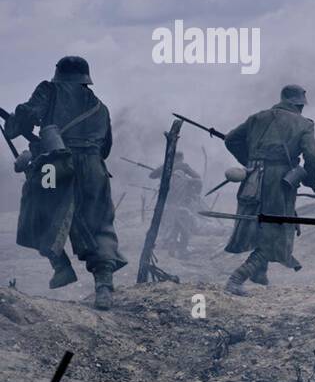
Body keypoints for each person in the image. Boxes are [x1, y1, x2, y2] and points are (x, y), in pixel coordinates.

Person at [6, 56, 126, 309]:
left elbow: (27, 117)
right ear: (85, 78)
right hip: (94, 169)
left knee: (38, 208)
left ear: (59, 74)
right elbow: (105, 148)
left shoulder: (48, 90)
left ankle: (60, 265)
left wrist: (15, 121)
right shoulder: (100, 107)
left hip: (56, 165)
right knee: (100, 224)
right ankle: (103, 287)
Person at [222, 85, 315, 295]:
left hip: (252, 179)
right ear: (299, 104)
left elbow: (231, 139)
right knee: (276, 230)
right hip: (278, 182)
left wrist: (251, 161)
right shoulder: (304, 124)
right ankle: (237, 279)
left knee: (261, 224)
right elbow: (314, 158)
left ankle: (260, 275)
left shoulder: (257, 117)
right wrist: (310, 180)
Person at [149, 150, 203, 258]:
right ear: (181, 158)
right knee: (184, 226)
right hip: (181, 202)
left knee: (173, 224)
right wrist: (191, 186)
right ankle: (182, 250)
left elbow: (152, 175)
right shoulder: (183, 166)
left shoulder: (166, 166)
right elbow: (198, 178)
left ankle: (172, 245)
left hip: (166, 202)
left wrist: (163, 171)